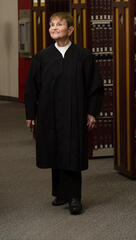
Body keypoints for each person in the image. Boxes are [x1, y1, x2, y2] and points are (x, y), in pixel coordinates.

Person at [24, 12, 103, 215]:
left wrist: (92, 112)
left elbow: (94, 86)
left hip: (74, 112)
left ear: (70, 30)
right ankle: (60, 193)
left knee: (72, 152)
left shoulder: (83, 56)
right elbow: (32, 88)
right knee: (54, 149)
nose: (54, 27)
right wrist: (30, 114)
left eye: (59, 24)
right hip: (49, 113)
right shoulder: (42, 57)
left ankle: (74, 197)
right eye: (51, 24)